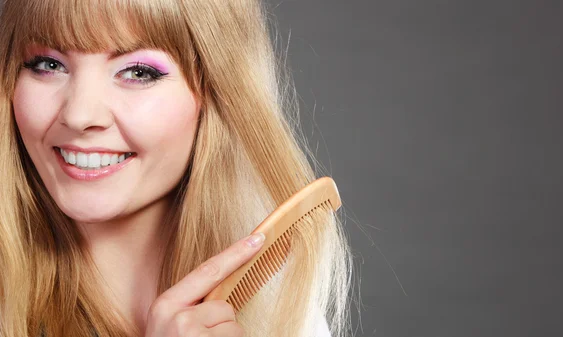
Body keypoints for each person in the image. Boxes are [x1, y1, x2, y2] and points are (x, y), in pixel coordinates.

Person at [0, 0, 353, 336]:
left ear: (216, 92)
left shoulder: (281, 307)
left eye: (138, 72)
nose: (79, 115)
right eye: (48, 64)